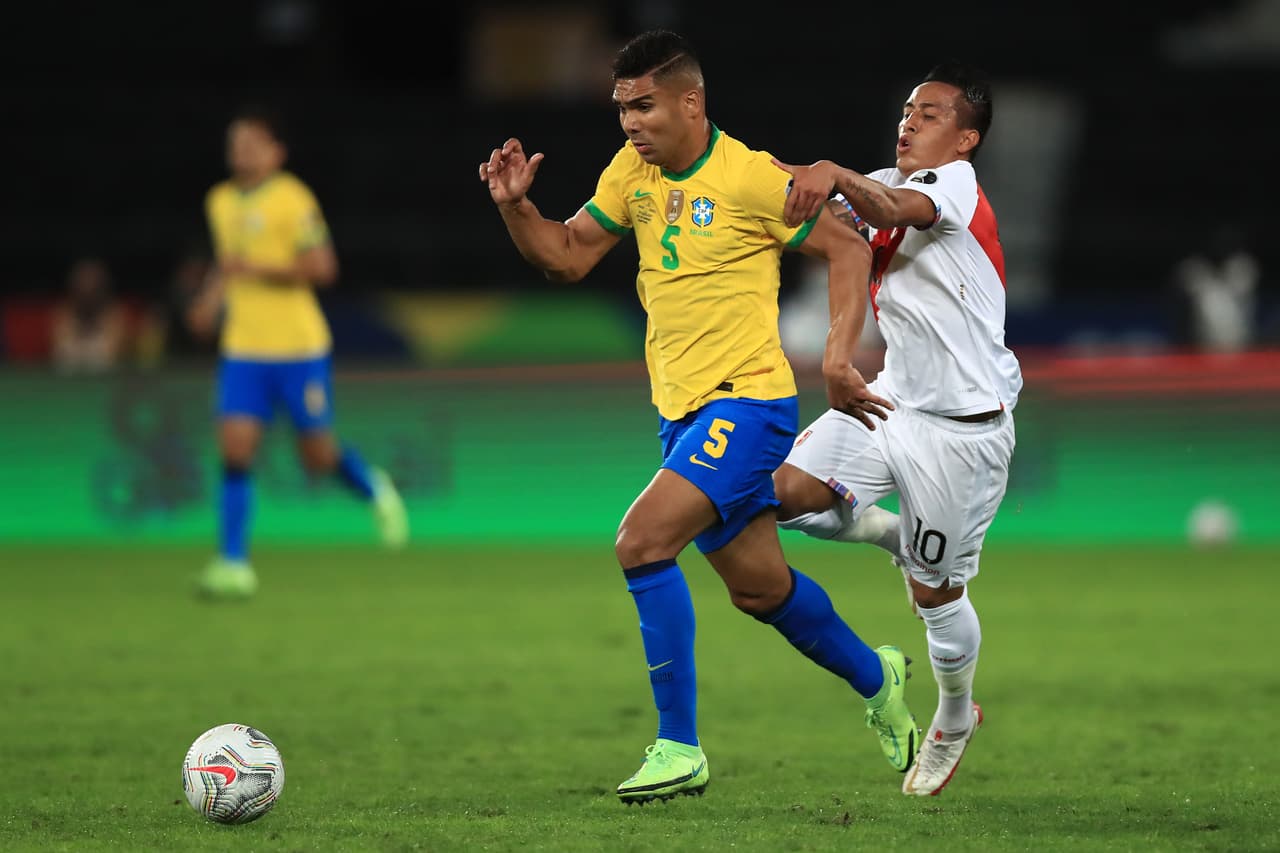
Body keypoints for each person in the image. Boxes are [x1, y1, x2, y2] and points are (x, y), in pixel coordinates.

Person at [478, 29, 918, 804]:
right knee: (760, 589)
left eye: (644, 106)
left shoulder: (750, 178)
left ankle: (678, 746)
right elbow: (567, 255)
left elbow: (849, 249)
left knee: (642, 541)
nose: (630, 124)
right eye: (621, 108)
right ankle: (876, 677)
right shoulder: (631, 174)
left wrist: (840, 357)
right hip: (681, 413)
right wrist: (518, 210)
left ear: (691, 102)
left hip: (748, 403)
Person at [770, 62, 1021, 797]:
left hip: (961, 432)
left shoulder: (952, 190)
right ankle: (889, 535)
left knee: (938, 595)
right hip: (894, 401)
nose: (910, 121)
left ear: (967, 138)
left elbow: (878, 200)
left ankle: (951, 715)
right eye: (909, 109)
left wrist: (832, 172)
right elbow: (800, 185)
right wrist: (711, 156)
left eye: (933, 114)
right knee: (782, 495)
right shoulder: (884, 181)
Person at [193, 106, 408, 600]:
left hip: (298, 348)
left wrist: (258, 268)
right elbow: (228, 266)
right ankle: (232, 563)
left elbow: (321, 267)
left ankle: (374, 489)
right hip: (243, 348)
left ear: (276, 152)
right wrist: (209, 303)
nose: (241, 150)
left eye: (251, 142)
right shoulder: (219, 201)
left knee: (316, 454)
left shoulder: (293, 198)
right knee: (235, 450)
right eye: (235, 141)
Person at [51, 256, 128, 374]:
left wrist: (80, 351)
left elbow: (108, 357)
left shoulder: (116, 314)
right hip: (68, 382)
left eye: (93, 285)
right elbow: (63, 354)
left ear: (102, 287)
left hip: (105, 381)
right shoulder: (62, 313)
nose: (87, 290)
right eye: (82, 284)